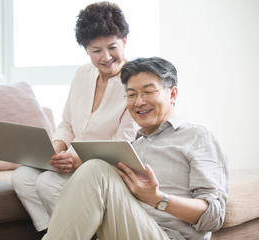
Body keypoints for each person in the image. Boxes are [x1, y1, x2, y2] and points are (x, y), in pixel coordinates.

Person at [42, 57, 229, 240]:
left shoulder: (197, 136)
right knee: (69, 174)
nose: (138, 102)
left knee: (95, 168)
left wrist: (158, 199)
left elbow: (214, 218)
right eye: (131, 95)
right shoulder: (132, 146)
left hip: (169, 235)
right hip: (122, 229)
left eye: (148, 92)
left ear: (172, 94)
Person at [11, 1, 139, 233]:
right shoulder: (82, 74)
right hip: (73, 161)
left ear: (125, 41)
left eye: (112, 47)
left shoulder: (135, 83)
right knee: (22, 177)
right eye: (96, 50)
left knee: (47, 182)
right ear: (86, 50)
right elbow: (67, 123)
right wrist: (54, 149)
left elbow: (123, 143)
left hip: (104, 168)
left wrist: (79, 161)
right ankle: (54, 233)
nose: (106, 57)